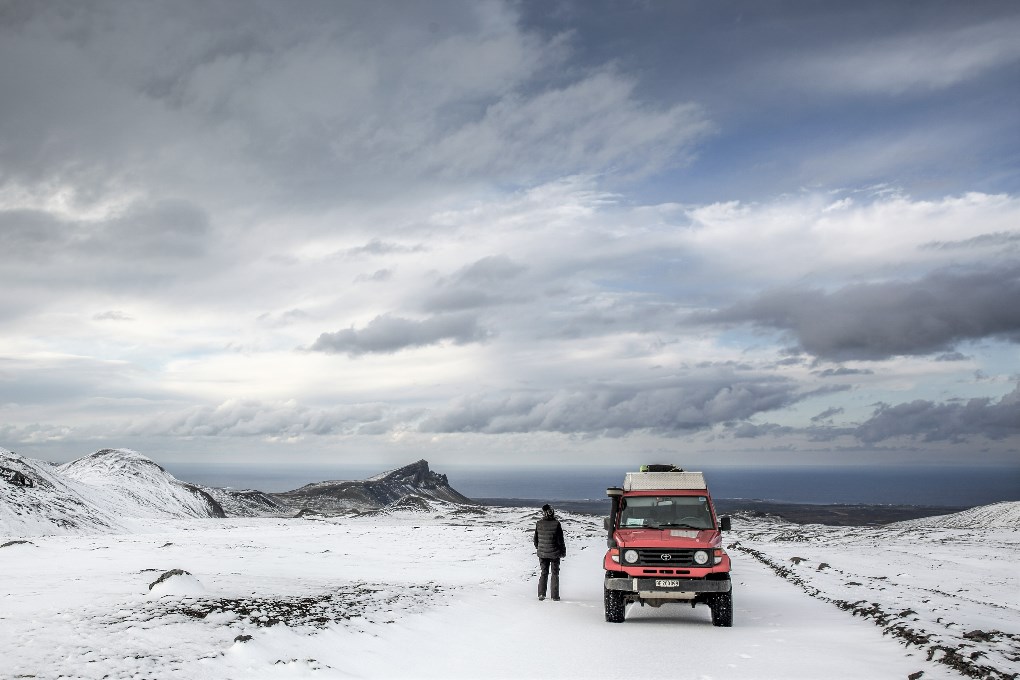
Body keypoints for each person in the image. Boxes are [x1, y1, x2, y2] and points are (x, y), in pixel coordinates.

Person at [533, 503, 566, 601]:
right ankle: (555, 596)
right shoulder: (556, 523)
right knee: (555, 573)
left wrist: (540, 548)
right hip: (555, 553)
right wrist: (563, 551)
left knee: (544, 572)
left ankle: (541, 594)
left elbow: (535, 540)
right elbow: (560, 541)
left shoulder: (539, 523)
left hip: (542, 553)